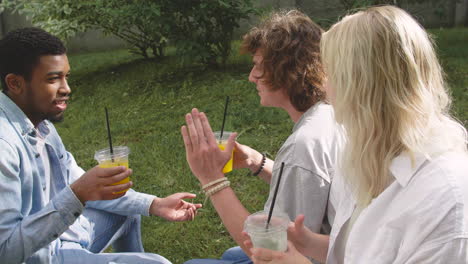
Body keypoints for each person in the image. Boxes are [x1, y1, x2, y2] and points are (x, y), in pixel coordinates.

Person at [245, 5, 468, 264]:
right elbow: (364, 252)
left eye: (332, 74)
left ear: (363, 86)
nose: (325, 87)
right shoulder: (370, 154)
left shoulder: (445, 202)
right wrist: (310, 243)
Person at [0, 27, 202, 264]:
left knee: (128, 212)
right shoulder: (5, 147)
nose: (66, 88)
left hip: (63, 238)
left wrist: (154, 204)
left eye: (66, 76)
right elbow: (6, 252)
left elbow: (77, 181)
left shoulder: (41, 126)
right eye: (53, 78)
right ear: (15, 83)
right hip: (41, 257)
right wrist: (77, 194)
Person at [181, 10, 342, 264]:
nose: (251, 76)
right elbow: (308, 186)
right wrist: (257, 162)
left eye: (258, 66)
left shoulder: (304, 145)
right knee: (229, 256)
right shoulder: (330, 114)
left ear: (288, 70)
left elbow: (268, 251)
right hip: (327, 247)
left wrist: (211, 179)